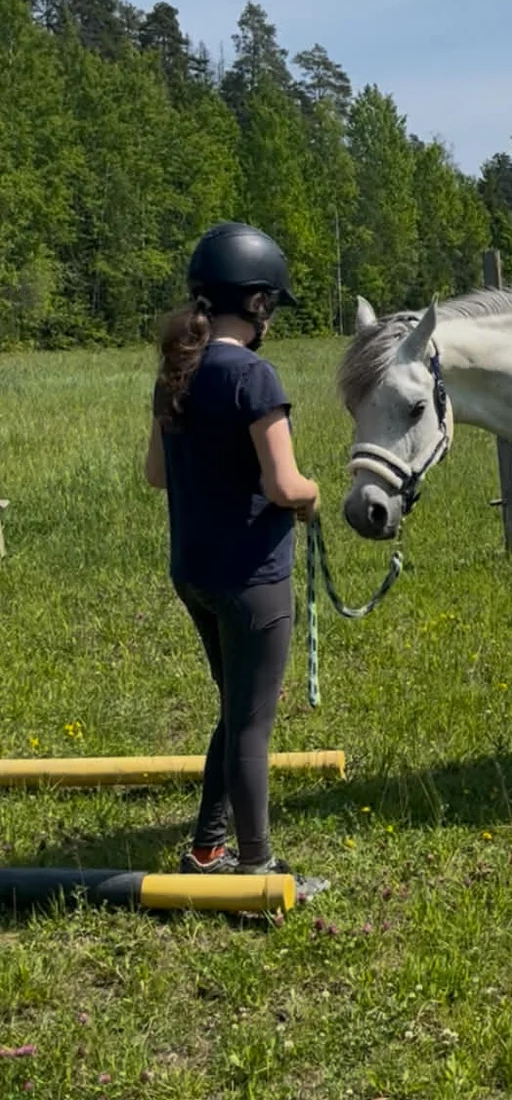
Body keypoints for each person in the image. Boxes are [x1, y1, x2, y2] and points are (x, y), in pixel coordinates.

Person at [145, 222, 319, 875]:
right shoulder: (254, 375)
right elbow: (284, 482)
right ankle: (257, 867)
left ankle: (206, 845)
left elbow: (155, 474)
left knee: (235, 706)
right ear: (257, 303)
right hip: (253, 579)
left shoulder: (177, 373)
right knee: (251, 723)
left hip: (193, 571)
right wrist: (314, 494)